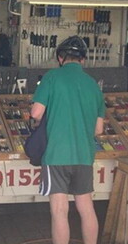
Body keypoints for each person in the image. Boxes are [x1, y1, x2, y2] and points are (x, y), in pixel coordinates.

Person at [30, 36, 105, 244]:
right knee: (86, 207)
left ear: (60, 58)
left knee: (59, 210)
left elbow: (36, 113)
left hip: (56, 155)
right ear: (82, 60)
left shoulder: (52, 77)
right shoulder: (93, 85)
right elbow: (98, 129)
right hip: (84, 155)